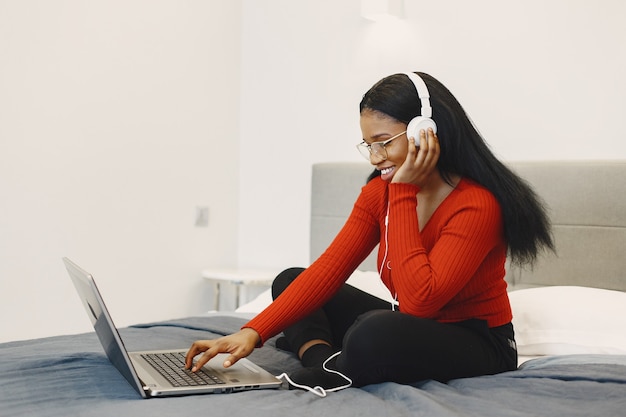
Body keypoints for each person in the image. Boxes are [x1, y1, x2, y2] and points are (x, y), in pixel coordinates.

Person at [185, 71, 554, 393]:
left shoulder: (476, 204)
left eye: (385, 142)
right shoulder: (379, 192)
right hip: (409, 326)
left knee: (376, 330)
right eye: (368, 145)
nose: (375, 157)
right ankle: (329, 359)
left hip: (478, 341)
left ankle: (339, 359)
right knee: (291, 280)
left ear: (425, 132)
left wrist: (404, 192)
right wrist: (253, 332)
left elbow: (419, 302)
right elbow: (329, 269)